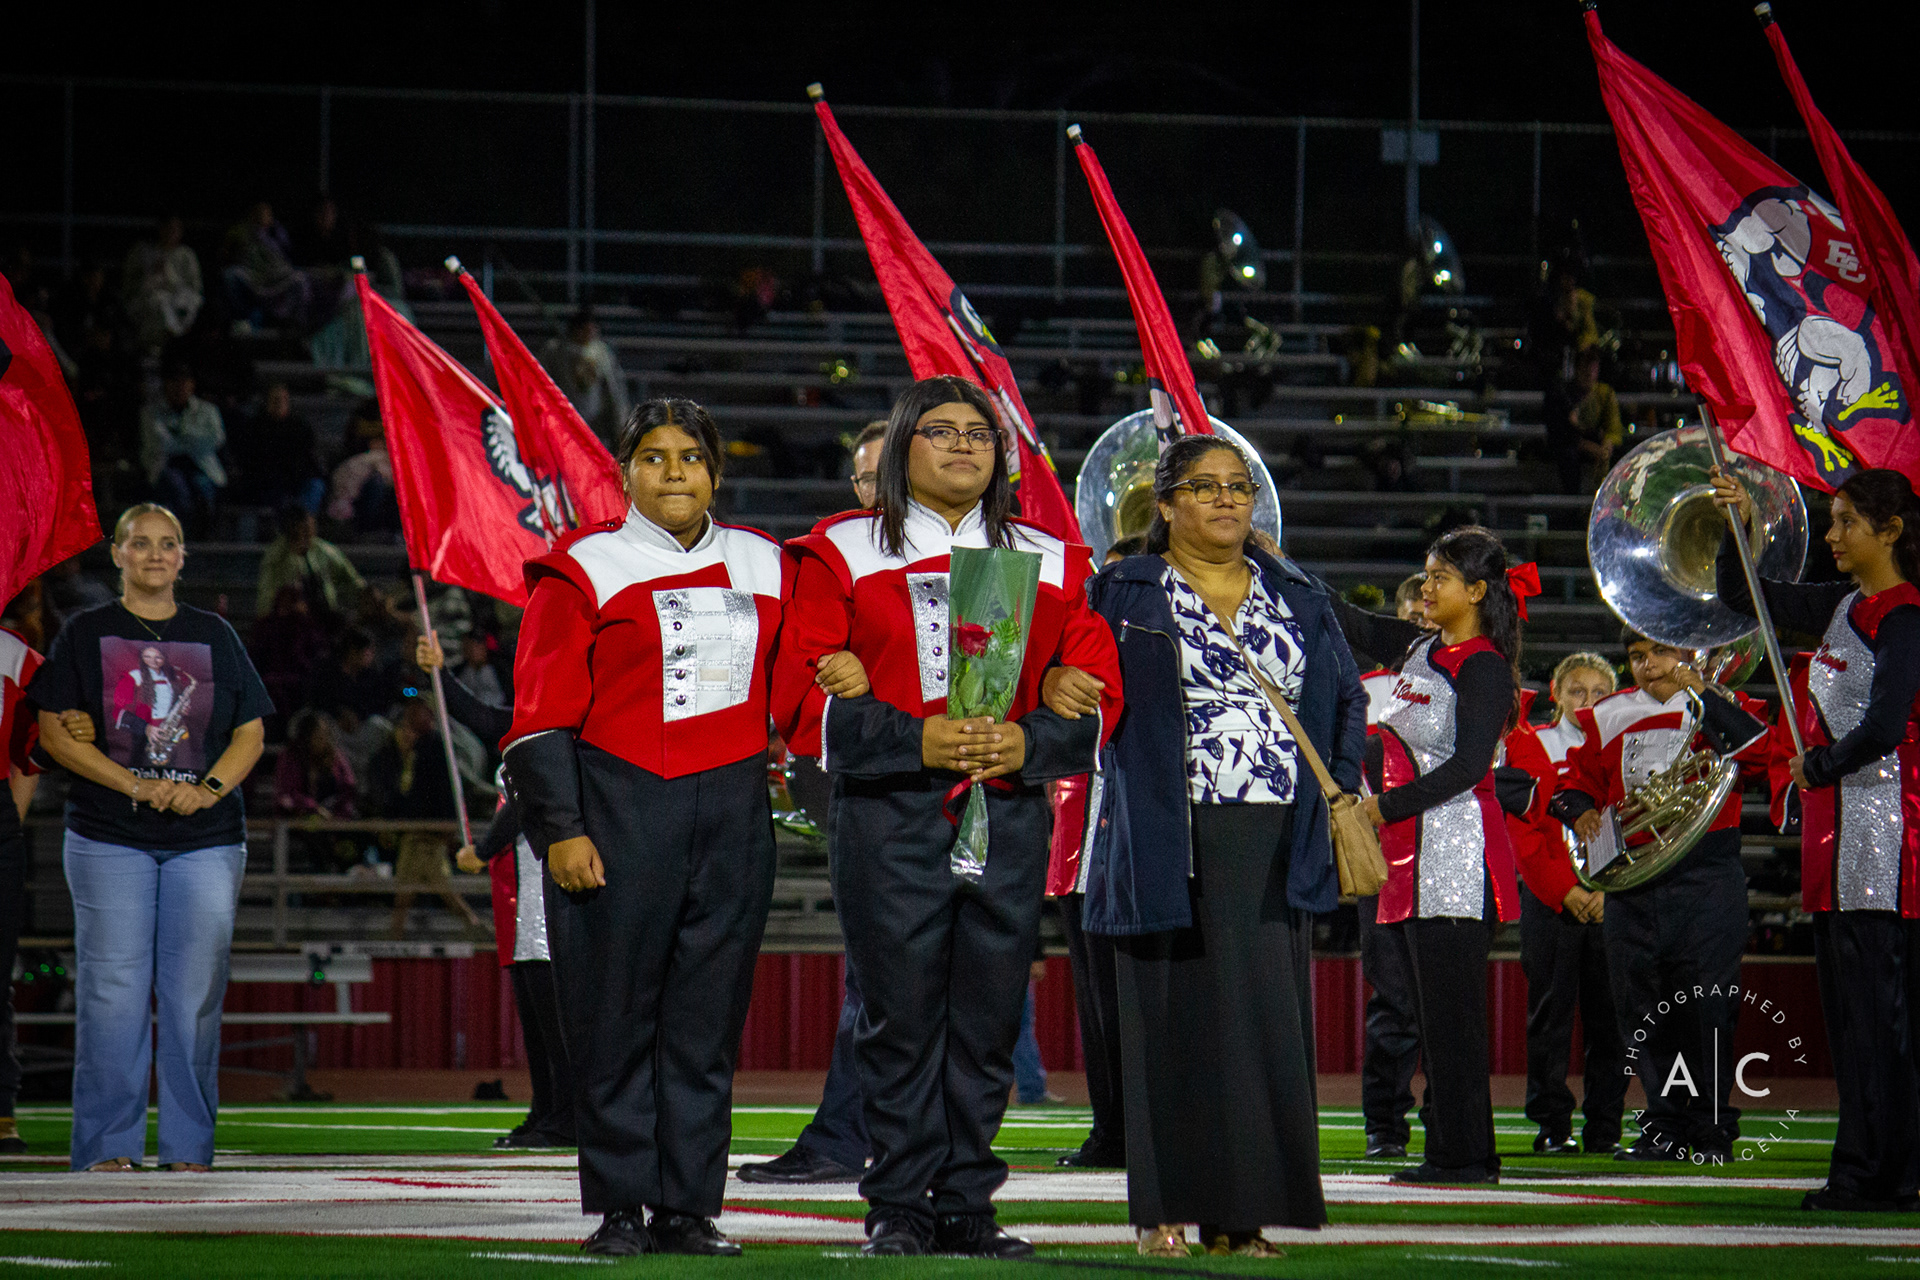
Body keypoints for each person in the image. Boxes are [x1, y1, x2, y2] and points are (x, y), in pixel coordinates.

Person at [771, 375, 1122, 1258]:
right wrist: (914, 738)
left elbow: (1099, 690)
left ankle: (966, 1204)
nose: (965, 444)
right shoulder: (837, 549)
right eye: (941, 430)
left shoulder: (1054, 557)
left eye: (980, 432)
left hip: (1008, 810)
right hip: (889, 813)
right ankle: (898, 1205)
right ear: (901, 445)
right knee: (899, 1017)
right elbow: (797, 693)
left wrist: (1031, 738)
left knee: (987, 1018)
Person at [504, 397, 784, 1257]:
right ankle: (621, 1207)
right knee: (615, 1021)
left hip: (734, 821)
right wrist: (562, 827)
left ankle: (689, 1209)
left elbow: (806, 677)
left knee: (705, 1028)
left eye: (690, 456)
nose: (674, 472)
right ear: (624, 473)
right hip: (619, 816)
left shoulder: (768, 563)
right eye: (654, 457)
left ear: (715, 472)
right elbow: (539, 716)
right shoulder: (581, 568)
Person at [1084, 434, 1363, 1256]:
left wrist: (1339, 789)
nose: (1226, 499)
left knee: (1262, 1028)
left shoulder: (1296, 589)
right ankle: (1163, 1213)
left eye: (1238, 486)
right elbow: (1080, 686)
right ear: (1166, 504)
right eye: (1204, 487)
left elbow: (1345, 699)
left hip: (1276, 831)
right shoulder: (1124, 589)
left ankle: (1242, 1220)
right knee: (1166, 1021)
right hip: (1164, 829)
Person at [29, 504, 272, 1172]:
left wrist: (207, 789)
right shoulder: (86, 632)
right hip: (109, 835)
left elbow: (250, 732)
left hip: (208, 836)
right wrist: (133, 784)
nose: (155, 554)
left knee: (194, 999)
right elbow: (53, 733)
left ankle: (189, 1150)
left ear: (183, 557)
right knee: (112, 994)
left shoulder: (214, 633)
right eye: (141, 543)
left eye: (168, 544)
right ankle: (108, 1148)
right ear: (118, 553)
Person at [1713, 466, 1920, 1209]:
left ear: (1891, 532)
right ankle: (1877, 1171)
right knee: (1857, 1021)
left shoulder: (1905, 616)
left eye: (1846, 522)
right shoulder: (1843, 602)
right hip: (1841, 841)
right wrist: (1739, 526)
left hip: (1888, 841)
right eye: (1831, 520)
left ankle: (1876, 1175)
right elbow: (1745, 596)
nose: (1832, 535)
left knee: (1880, 1019)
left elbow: (1888, 724)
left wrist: (1819, 765)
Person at [1331, 526, 1530, 1185]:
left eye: (1440, 577)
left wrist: (1380, 809)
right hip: (1411, 860)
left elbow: (1471, 767)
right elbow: (1352, 621)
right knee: (1430, 1019)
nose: (1426, 587)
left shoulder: (1484, 666)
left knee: (1453, 1023)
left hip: (1456, 858)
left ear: (1476, 591)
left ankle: (1465, 1155)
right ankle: (1453, 1149)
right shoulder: (1420, 648)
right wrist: (1269, 560)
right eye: (1425, 575)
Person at [1550, 626, 1768, 1163]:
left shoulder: (1729, 704)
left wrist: (1703, 693)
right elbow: (1572, 786)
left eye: (1661, 652)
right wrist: (1581, 812)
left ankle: (1711, 1127)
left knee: (1707, 1008)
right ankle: (1664, 1125)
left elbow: (1761, 758)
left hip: (1706, 873)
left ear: (1690, 653)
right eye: (1637, 655)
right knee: (1643, 1013)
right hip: (1634, 878)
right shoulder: (1608, 713)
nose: (1648, 664)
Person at [737, 422, 890, 1189]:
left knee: (907, 974)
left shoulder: (978, 549)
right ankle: (853, 1135)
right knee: (879, 969)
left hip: (966, 783)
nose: (877, 489)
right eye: (866, 477)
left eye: (890, 470)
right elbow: (800, 680)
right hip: (864, 781)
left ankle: (879, 1137)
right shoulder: (835, 556)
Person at [417, 631, 574, 1151]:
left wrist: (483, 850)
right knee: (536, 1014)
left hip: (548, 887)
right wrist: (438, 672)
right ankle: (546, 1110)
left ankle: (566, 1115)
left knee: (553, 1015)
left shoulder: (562, 729)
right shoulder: (531, 723)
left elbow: (528, 801)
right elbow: (478, 715)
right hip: (522, 889)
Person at [1051, 530, 1148, 1174]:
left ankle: (1141, 1133)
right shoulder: (1079, 650)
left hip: (1128, 849)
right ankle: (1109, 1129)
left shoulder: (1149, 651)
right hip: (1077, 849)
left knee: (1131, 1006)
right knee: (1096, 1005)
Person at [1507, 653, 1626, 1156]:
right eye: (1577, 690)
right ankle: (1552, 1125)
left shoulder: (1624, 742)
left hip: (1611, 896)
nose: (1588, 701)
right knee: (1550, 1018)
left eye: (1600, 692)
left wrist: (1608, 890)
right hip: (1550, 897)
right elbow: (1525, 830)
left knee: (1612, 1020)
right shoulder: (1533, 743)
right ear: (1555, 693)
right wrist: (1565, 890)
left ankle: (1605, 1127)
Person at [1355, 570, 1433, 1160]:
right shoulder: (1363, 689)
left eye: (1429, 616)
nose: (1421, 626)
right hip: (1384, 862)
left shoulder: (1474, 677)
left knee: (1447, 1003)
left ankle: (1451, 1122)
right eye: (1411, 617)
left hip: (1453, 856)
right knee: (1394, 1000)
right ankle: (1385, 1126)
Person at [366, 696, 482, 938]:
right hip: (413, 829)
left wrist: (448, 824)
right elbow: (397, 790)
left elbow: (445, 788)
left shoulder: (437, 747)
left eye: (417, 710)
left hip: (430, 830)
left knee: (424, 884)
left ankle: (472, 926)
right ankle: (472, 925)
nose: (411, 716)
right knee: (421, 884)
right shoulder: (402, 749)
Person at [139, 365, 226, 534]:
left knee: (204, 489)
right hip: (165, 465)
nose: (179, 388)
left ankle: (204, 535)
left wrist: (180, 437)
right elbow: (159, 443)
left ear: (192, 385)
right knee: (176, 489)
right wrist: (191, 440)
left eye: (184, 383)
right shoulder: (151, 412)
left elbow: (215, 439)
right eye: (175, 383)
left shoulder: (208, 410)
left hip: (201, 465)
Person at [540, 307, 631, 449]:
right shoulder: (555, 351)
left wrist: (619, 424)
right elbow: (541, 382)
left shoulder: (601, 353)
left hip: (595, 420)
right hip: (563, 418)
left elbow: (614, 389)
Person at [256, 506, 366, 622]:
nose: (305, 535)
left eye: (309, 529)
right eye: (301, 531)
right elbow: (266, 594)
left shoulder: (324, 551)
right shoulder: (276, 555)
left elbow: (353, 580)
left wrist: (364, 594)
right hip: (287, 621)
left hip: (324, 617)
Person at [121, 215, 204, 351]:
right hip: (149, 298)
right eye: (168, 228)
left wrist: (170, 277)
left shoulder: (186, 255)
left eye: (175, 229)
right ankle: (154, 348)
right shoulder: (143, 252)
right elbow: (130, 285)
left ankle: (175, 343)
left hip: (178, 299)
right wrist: (152, 275)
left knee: (183, 304)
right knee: (158, 303)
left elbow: (194, 288)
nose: (171, 233)